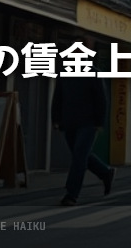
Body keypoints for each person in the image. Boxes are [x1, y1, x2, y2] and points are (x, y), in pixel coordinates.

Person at [51, 74, 116, 206]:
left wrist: (100, 122)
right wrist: (56, 119)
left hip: (89, 124)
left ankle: (71, 194)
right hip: (69, 122)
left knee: (79, 156)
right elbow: (58, 97)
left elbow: (101, 99)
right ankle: (105, 172)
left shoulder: (94, 74)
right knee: (80, 154)